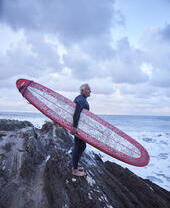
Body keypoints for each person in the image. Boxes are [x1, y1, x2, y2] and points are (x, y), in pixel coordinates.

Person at [71, 83, 91, 176]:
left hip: (80, 128)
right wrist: (74, 127)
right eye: (88, 89)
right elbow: (76, 113)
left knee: (82, 146)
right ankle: (74, 170)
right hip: (78, 127)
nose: (90, 91)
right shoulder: (80, 99)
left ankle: (75, 165)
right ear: (82, 90)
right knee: (78, 146)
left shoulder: (82, 99)